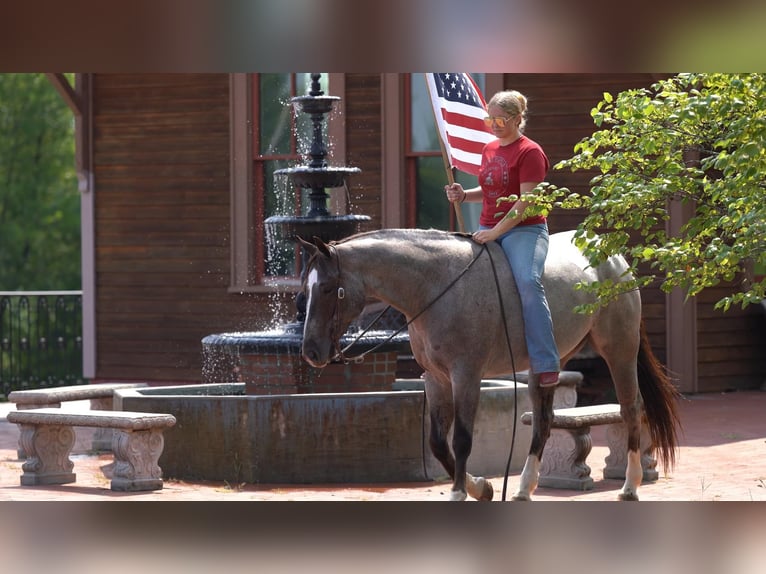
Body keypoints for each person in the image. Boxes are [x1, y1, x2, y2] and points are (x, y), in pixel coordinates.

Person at [444, 90, 560, 387]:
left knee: (527, 281)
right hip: (487, 228)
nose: (493, 125)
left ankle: (545, 361)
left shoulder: (530, 151)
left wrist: (495, 233)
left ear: (518, 119)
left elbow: (526, 202)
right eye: (489, 119)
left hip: (525, 230)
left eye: (500, 119)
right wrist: (463, 194)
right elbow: (493, 188)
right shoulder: (490, 149)